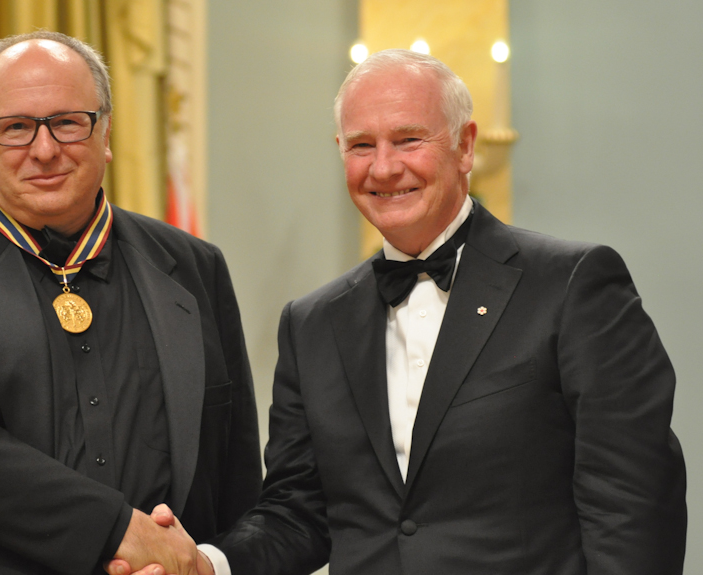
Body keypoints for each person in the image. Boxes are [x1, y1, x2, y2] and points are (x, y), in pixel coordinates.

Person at [116, 48, 687, 575]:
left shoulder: (573, 284)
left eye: (408, 140)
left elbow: (632, 503)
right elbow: (300, 512)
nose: (384, 169)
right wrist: (206, 564)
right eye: (361, 145)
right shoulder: (311, 323)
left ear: (465, 146)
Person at [0, 31, 260, 575]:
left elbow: (236, 478)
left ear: (105, 133)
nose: (44, 150)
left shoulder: (194, 265)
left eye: (67, 122)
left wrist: (209, 563)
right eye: (15, 127)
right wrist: (119, 531)